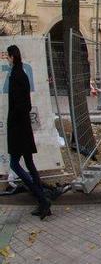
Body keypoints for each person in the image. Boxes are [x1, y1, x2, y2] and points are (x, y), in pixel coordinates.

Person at [3, 45, 51, 219]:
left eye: (7, 57)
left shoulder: (16, 76)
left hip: (18, 129)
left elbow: (21, 105)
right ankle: (43, 200)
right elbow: (26, 104)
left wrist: (14, 122)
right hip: (23, 127)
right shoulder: (21, 74)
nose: (7, 60)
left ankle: (42, 199)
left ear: (12, 57)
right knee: (29, 164)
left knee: (16, 165)